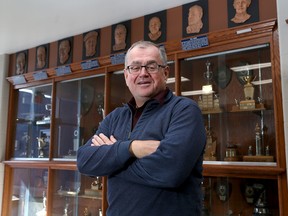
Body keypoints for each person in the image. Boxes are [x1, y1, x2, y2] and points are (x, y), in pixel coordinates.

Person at [77, 40, 206, 216]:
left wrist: (111, 160)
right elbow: (84, 161)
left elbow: (171, 171)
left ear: (165, 72)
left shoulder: (184, 110)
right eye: (135, 67)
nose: (143, 73)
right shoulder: (115, 117)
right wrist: (131, 148)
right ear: (126, 75)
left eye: (151, 67)